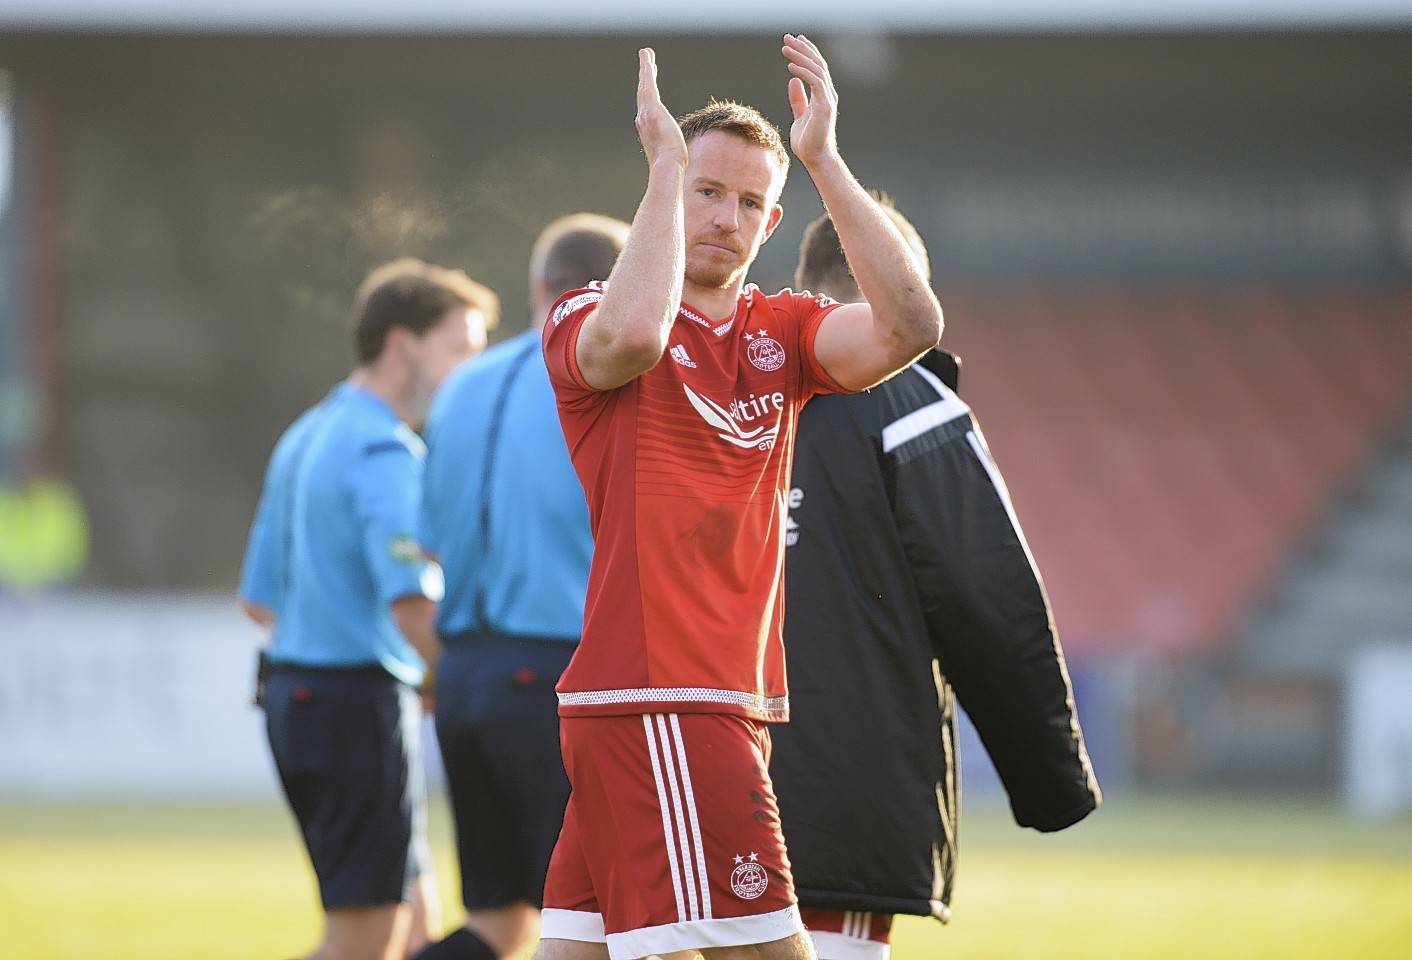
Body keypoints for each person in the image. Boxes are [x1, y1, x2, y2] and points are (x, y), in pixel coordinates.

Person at [535, 37, 943, 960]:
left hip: (704, 702)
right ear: (667, 197)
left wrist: (824, 161)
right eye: (705, 190)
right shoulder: (586, 313)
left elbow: (912, 326)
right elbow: (634, 336)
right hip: (666, 695)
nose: (726, 216)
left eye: (749, 202)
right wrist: (662, 168)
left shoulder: (784, 330)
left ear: (772, 225)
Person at [772, 199, 1102, 960]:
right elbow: (988, 599)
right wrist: (1053, 786)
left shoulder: (719, 384)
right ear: (905, 285)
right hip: (843, 802)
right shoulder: (911, 403)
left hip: (691, 783)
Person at [238, 257, 498, 960]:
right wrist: (460, 684)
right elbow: (413, 606)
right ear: (402, 345)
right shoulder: (384, 449)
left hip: (297, 697)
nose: (470, 371)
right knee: (365, 941)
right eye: (461, 349)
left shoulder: (306, 434)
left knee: (414, 921)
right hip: (353, 705)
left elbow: (258, 602)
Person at [415, 213, 630, 960]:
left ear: (538, 286)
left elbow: (426, 540)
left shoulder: (458, 388)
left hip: (465, 678)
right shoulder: (603, 382)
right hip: (552, 677)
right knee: (591, 926)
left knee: (497, 924)